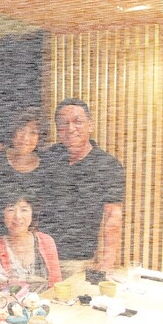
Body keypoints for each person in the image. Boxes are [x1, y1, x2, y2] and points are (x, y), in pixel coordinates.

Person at [40, 98, 125, 278]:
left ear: (90, 125)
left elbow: (113, 216)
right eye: (63, 124)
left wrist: (107, 262)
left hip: (76, 261)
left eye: (77, 121)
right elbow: (21, 160)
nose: (71, 128)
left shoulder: (108, 166)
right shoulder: (48, 157)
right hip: (38, 255)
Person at [0, 108, 44, 241]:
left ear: (40, 137)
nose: (25, 138)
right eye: (21, 130)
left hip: (28, 240)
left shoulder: (46, 165)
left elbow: (42, 209)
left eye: (33, 132)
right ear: (13, 132)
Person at [0, 189, 61, 293]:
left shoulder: (46, 241)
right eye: (11, 210)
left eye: (24, 210)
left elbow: (57, 284)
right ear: (2, 215)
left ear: (33, 214)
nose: (17, 216)